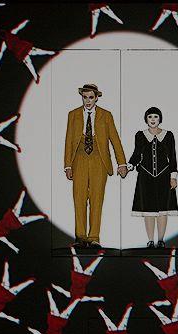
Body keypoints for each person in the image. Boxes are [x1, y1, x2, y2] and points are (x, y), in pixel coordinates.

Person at [64, 83, 128, 248]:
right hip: (79, 159)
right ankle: (80, 237)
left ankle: (93, 237)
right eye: (85, 97)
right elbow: (69, 140)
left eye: (91, 97)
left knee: (96, 199)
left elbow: (115, 139)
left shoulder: (106, 115)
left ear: (96, 98)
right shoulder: (73, 115)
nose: (88, 100)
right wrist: (67, 165)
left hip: (99, 160)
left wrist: (121, 163)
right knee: (79, 198)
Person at [128, 107, 178, 248]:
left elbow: (172, 157)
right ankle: (150, 240)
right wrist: (129, 166)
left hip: (164, 176)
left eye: (155, 116)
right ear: (146, 119)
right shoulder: (140, 135)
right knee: (148, 210)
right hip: (146, 177)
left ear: (160, 118)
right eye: (150, 117)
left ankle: (161, 240)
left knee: (163, 209)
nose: (153, 119)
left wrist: (173, 176)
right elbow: (136, 154)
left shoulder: (168, 135)